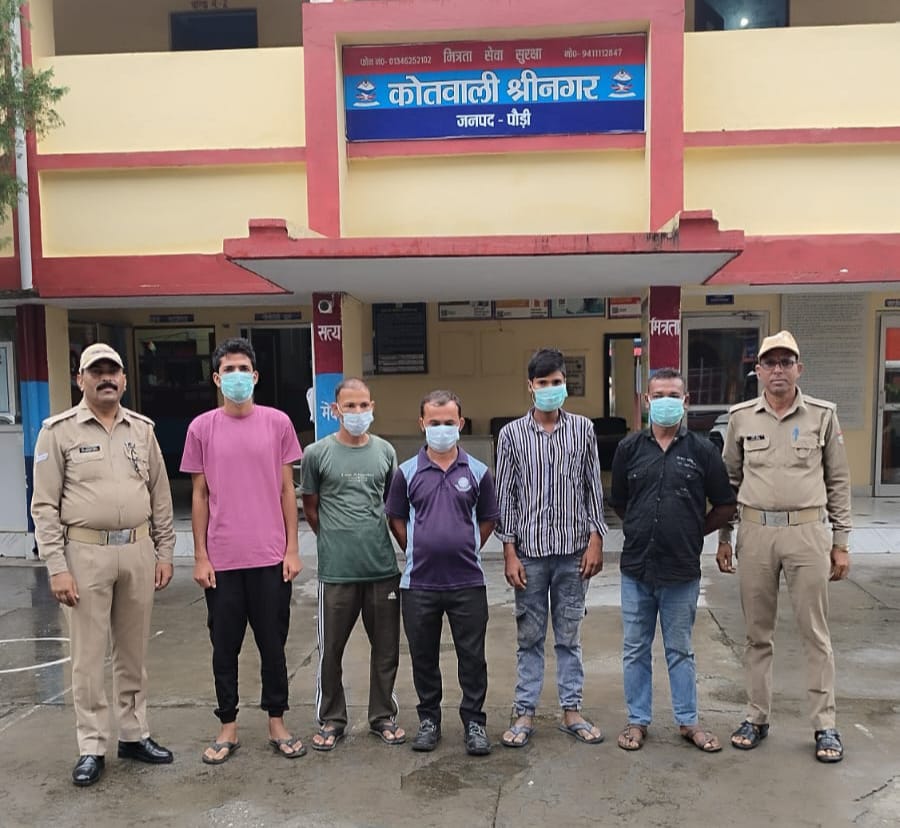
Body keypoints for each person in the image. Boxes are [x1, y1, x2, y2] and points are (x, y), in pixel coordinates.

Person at [31, 343, 176, 787]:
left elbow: (160, 495)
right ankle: (92, 745)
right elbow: (44, 506)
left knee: (133, 652)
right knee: (89, 657)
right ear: (81, 379)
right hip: (85, 554)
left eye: (113, 370)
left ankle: (134, 734)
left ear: (125, 379)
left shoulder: (142, 431)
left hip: (136, 550)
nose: (106, 378)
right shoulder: (58, 432)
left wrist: (165, 552)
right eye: (96, 371)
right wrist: (57, 566)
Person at [717, 330, 852, 763]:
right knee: (758, 634)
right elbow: (729, 482)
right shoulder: (741, 418)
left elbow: (838, 481)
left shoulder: (822, 416)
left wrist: (841, 541)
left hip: (807, 534)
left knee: (815, 634)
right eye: (770, 363)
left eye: (786, 362)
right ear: (757, 371)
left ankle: (825, 725)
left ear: (799, 368)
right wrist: (724, 537)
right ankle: (756, 717)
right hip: (755, 533)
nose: (778, 370)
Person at [180, 337, 304, 764]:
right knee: (224, 646)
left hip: (270, 558)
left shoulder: (277, 423)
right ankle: (228, 725)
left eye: (243, 370)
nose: (236, 377)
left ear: (256, 376)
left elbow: (287, 490)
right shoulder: (201, 428)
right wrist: (200, 555)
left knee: (273, 645)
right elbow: (199, 495)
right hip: (223, 560)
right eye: (228, 370)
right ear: (217, 379)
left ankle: (277, 721)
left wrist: (292, 548)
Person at [609, 368, 736, 752]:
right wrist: (642, 526)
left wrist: (694, 531)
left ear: (685, 401)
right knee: (635, 649)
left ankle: (688, 720)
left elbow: (725, 504)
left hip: (681, 570)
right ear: (647, 400)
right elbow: (620, 502)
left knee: (680, 650)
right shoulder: (629, 448)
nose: (666, 401)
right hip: (637, 569)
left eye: (673, 395)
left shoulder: (703, 451)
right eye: (659, 394)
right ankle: (637, 720)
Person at [495, 347, 607, 748]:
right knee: (529, 637)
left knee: (569, 636)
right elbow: (505, 495)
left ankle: (571, 710)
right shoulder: (511, 435)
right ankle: (524, 712)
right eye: (542, 383)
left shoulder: (583, 430)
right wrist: (509, 551)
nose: (549, 389)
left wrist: (596, 539)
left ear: (565, 384)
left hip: (574, 551)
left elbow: (593, 486)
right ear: (530, 386)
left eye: (556, 382)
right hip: (529, 552)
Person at [386, 390, 499, 755]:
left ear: (461, 423)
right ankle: (429, 720)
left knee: (472, 658)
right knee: (423, 657)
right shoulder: (406, 473)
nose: (441, 429)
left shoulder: (479, 472)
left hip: (468, 582)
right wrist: (418, 547)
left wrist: (466, 545)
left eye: (449, 422)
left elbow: (488, 519)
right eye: (434, 423)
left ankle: (475, 722)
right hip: (419, 583)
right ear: (422, 423)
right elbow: (396, 518)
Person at [300, 378, 405, 750]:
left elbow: (393, 507)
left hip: (382, 568)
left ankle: (383, 716)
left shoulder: (385, 452)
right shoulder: (316, 454)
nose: (357, 412)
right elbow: (311, 508)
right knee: (331, 651)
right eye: (350, 406)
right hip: (337, 571)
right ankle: (332, 719)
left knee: (386, 649)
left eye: (363, 405)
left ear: (372, 407)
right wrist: (336, 539)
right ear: (335, 410)